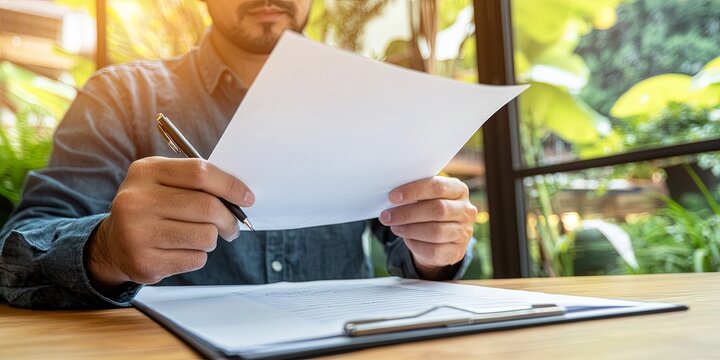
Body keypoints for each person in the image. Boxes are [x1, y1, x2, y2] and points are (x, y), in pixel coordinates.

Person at [0, 0, 477, 309]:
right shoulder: (121, 96)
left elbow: (410, 240)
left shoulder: (370, 97)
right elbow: (16, 256)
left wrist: (437, 247)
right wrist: (106, 250)